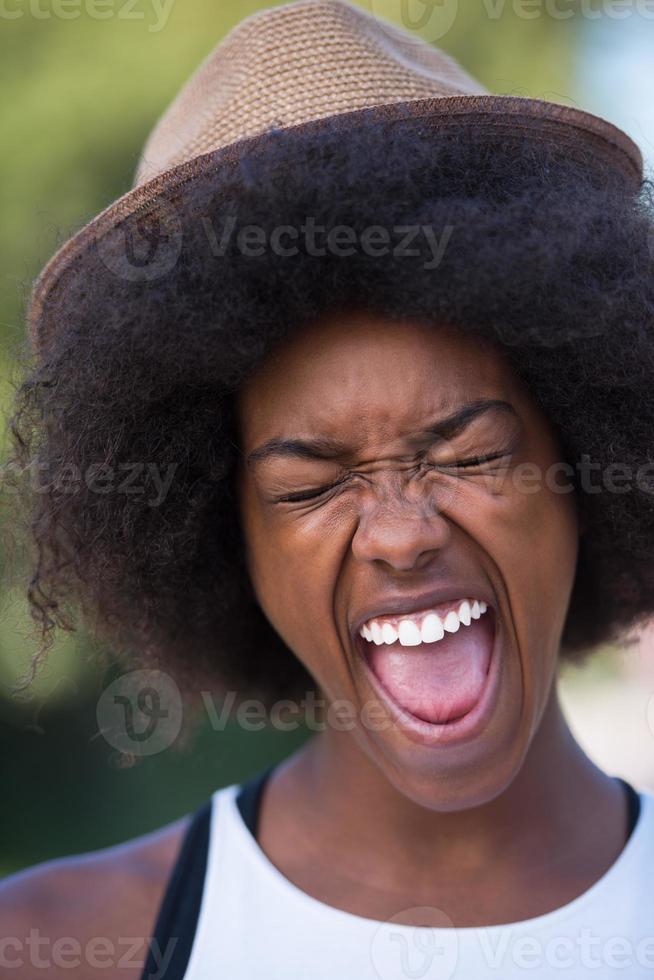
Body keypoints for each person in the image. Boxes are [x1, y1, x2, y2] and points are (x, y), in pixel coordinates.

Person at [2, 0, 654, 977]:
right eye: (309, 486)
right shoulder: (57, 946)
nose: (400, 533)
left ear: (582, 468)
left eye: (470, 456)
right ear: (224, 538)